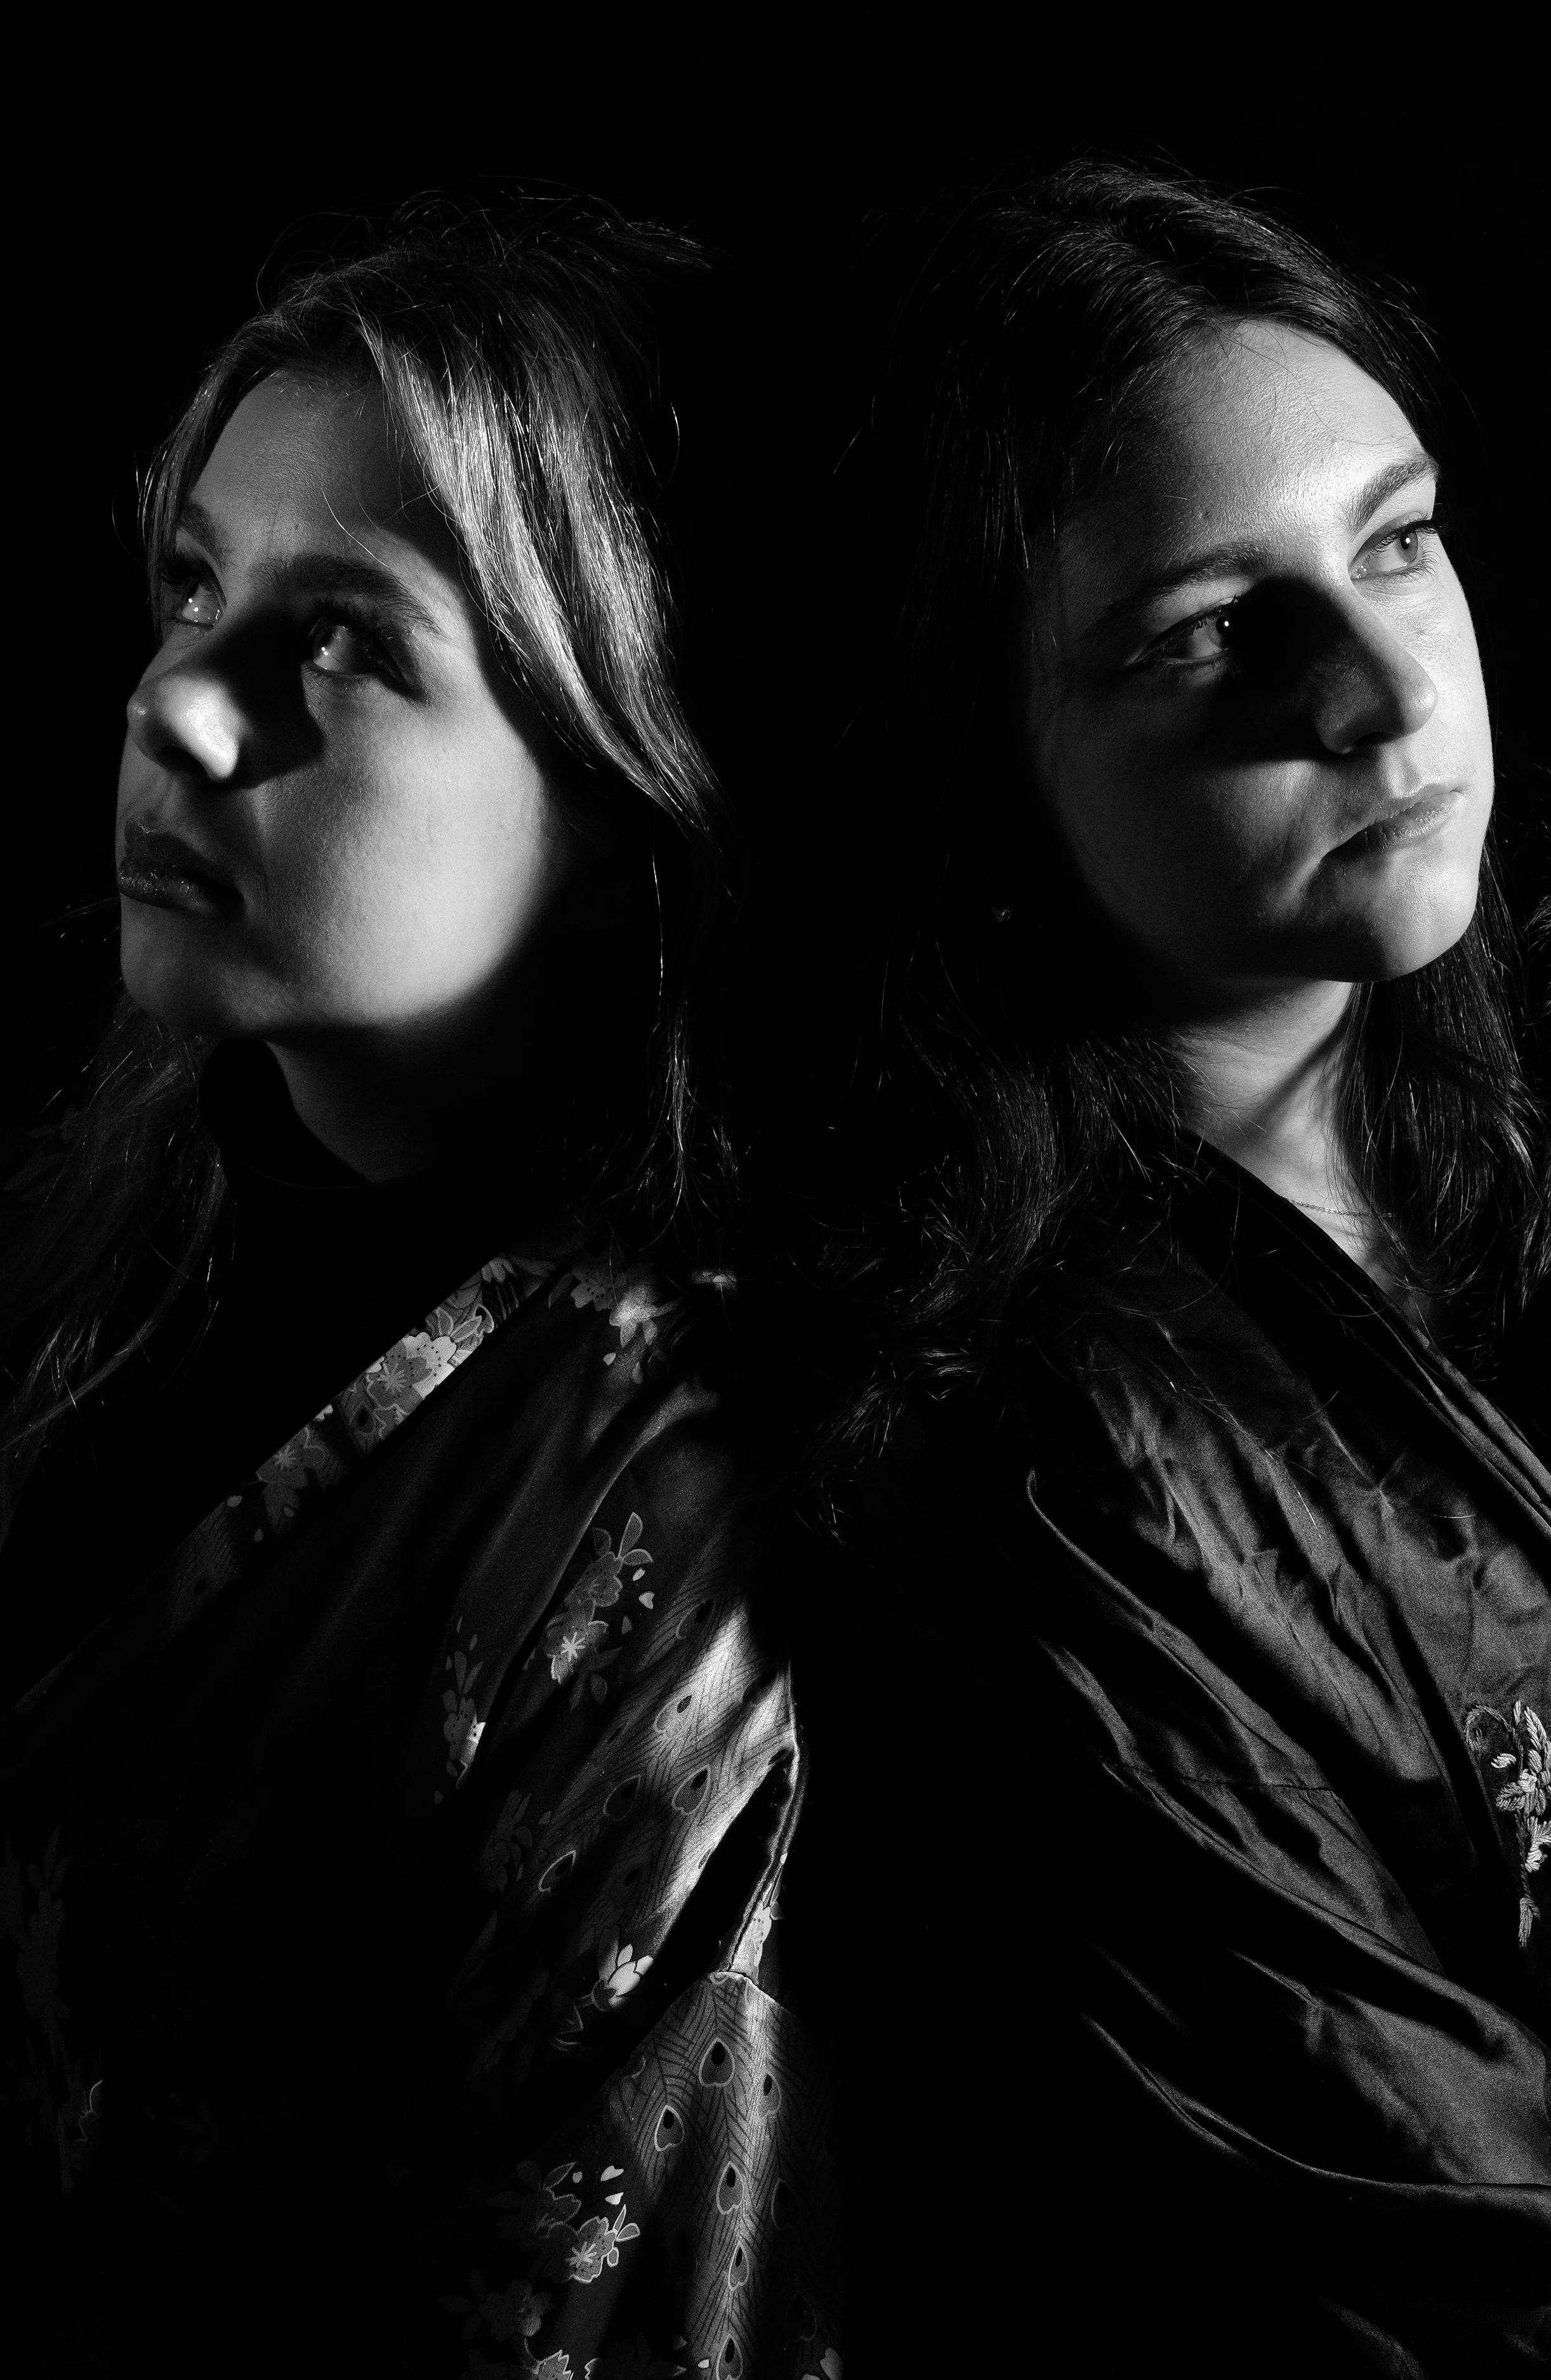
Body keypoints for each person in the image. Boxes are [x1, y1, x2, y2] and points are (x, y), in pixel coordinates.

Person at [0, 201, 842, 2378]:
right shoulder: (77, 1243)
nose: (174, 699)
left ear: (631, 783)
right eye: (195, 584)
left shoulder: (675, 1543)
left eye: (344, 638)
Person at [791, 165, 1550, 2374]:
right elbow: (1442, 2246)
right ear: (976, 769)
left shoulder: (1494, 1124)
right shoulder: (1028, 1456)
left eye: (1396, 542)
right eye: (1204, 631)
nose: (1378, 689)